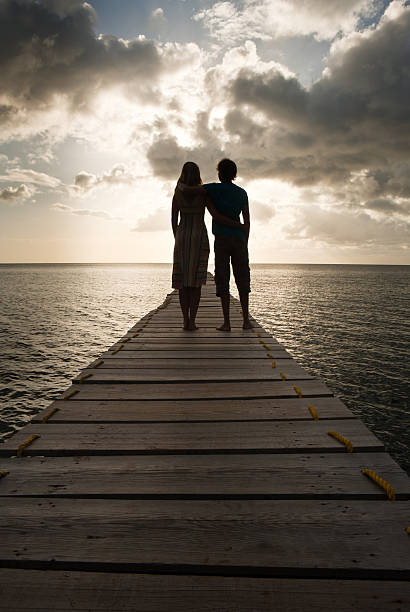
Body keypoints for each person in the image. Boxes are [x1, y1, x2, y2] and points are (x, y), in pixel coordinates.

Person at [178, 158, 251, 331]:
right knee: (242, 278)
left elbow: (188, 190)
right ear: (234, 174)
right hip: (239, 239)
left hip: (222, 239)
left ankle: (227, 323)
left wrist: (180, 185)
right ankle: (246, 321)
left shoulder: (213, 188)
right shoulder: (242, 193)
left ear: (219, 173)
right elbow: (247, 221)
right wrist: (244, 238)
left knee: (223, 278)